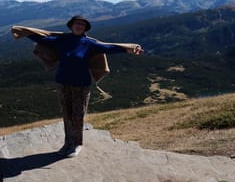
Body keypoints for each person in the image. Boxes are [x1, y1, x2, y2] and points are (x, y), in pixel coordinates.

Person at [12, 15, 143, 157]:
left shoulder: (89, 43)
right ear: (71, 26)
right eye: (77, 24)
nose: (79, 26)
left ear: (85, 28)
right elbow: (41, 39)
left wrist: (129, 48)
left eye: (82, 25)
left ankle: (77, 144)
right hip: (62, 83)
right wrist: (22, 31)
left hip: (81, 85)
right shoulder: (61, 40)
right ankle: (68, 143)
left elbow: (108, 47)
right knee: (67, 115)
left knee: (78, 116)